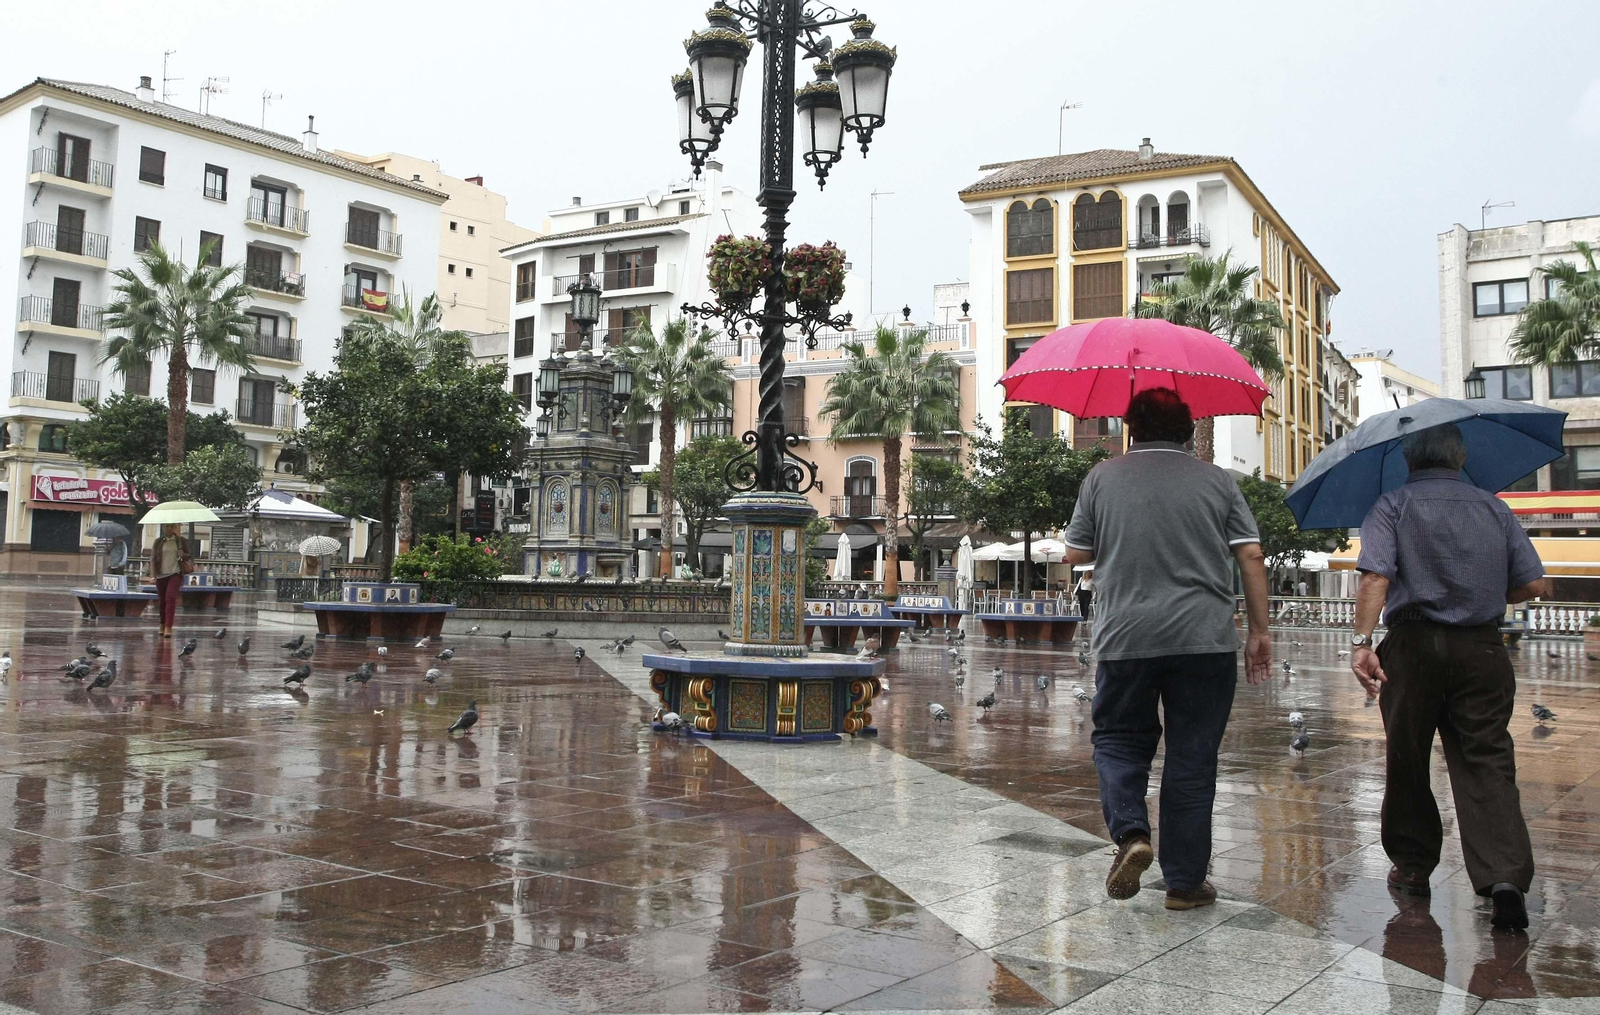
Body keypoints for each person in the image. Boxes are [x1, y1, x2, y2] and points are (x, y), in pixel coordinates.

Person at [1065, 388, 1272, 910]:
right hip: (1205, 641)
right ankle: (1184, 883)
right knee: (1192, 757)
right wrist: (1260, 632)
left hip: (1126, 638)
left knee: (1118, 740)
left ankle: (1132, 832)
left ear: (1131, 429)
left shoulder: (1101, 478)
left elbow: (1075, 552)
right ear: (1187, 431)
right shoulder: (1218, 481)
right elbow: (1250, 554)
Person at [1351, 423, 1546, 931]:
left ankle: (1414, 868)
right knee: (1487, 757)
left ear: (1408, 461)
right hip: (1482, 647)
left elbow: (1375, 576)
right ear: (1460, 458)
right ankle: (1504, 875)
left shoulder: (1392, 505)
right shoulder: (1494, 508)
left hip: (1412, 646)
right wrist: (1484, 594)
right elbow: (1533, 583)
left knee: (1408, 756)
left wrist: (1362, 643)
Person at [150, 523, 190, 638]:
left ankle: (168, 627)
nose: (169, 528)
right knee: (162, 601)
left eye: (171, 526)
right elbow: (153, 559)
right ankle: (162, 624)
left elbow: (189, 556)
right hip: (161, 575)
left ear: (174, 528)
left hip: (175, 573)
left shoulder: (180, 541)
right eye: (167, 526)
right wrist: (153, 575)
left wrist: (183, 555)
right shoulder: (158, 541)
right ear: (163, 528)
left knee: (170, 598)